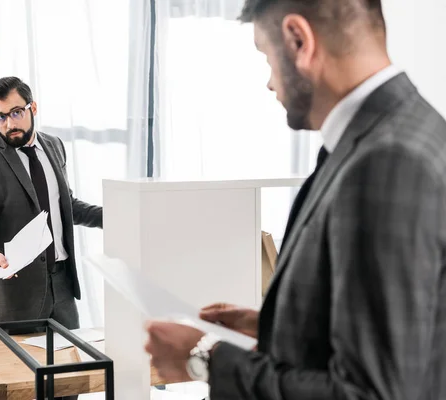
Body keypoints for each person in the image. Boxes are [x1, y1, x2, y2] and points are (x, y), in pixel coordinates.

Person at [145, 0, 446, 398]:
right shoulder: (409, 130)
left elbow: (369, 393)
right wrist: (275, 324)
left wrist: (203, 356)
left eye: (266, 57)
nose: (269, 82)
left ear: (298, 39)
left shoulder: (386, 161)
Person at [0, 76, 102, 327]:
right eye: (0, 117)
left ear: (32, 108)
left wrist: (119, 216)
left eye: (16, 112)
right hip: (16, 293)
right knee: (18, 367)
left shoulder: (54, 146)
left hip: (63, 286)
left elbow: (65, 206)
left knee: (71, 364)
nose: (9, 123)